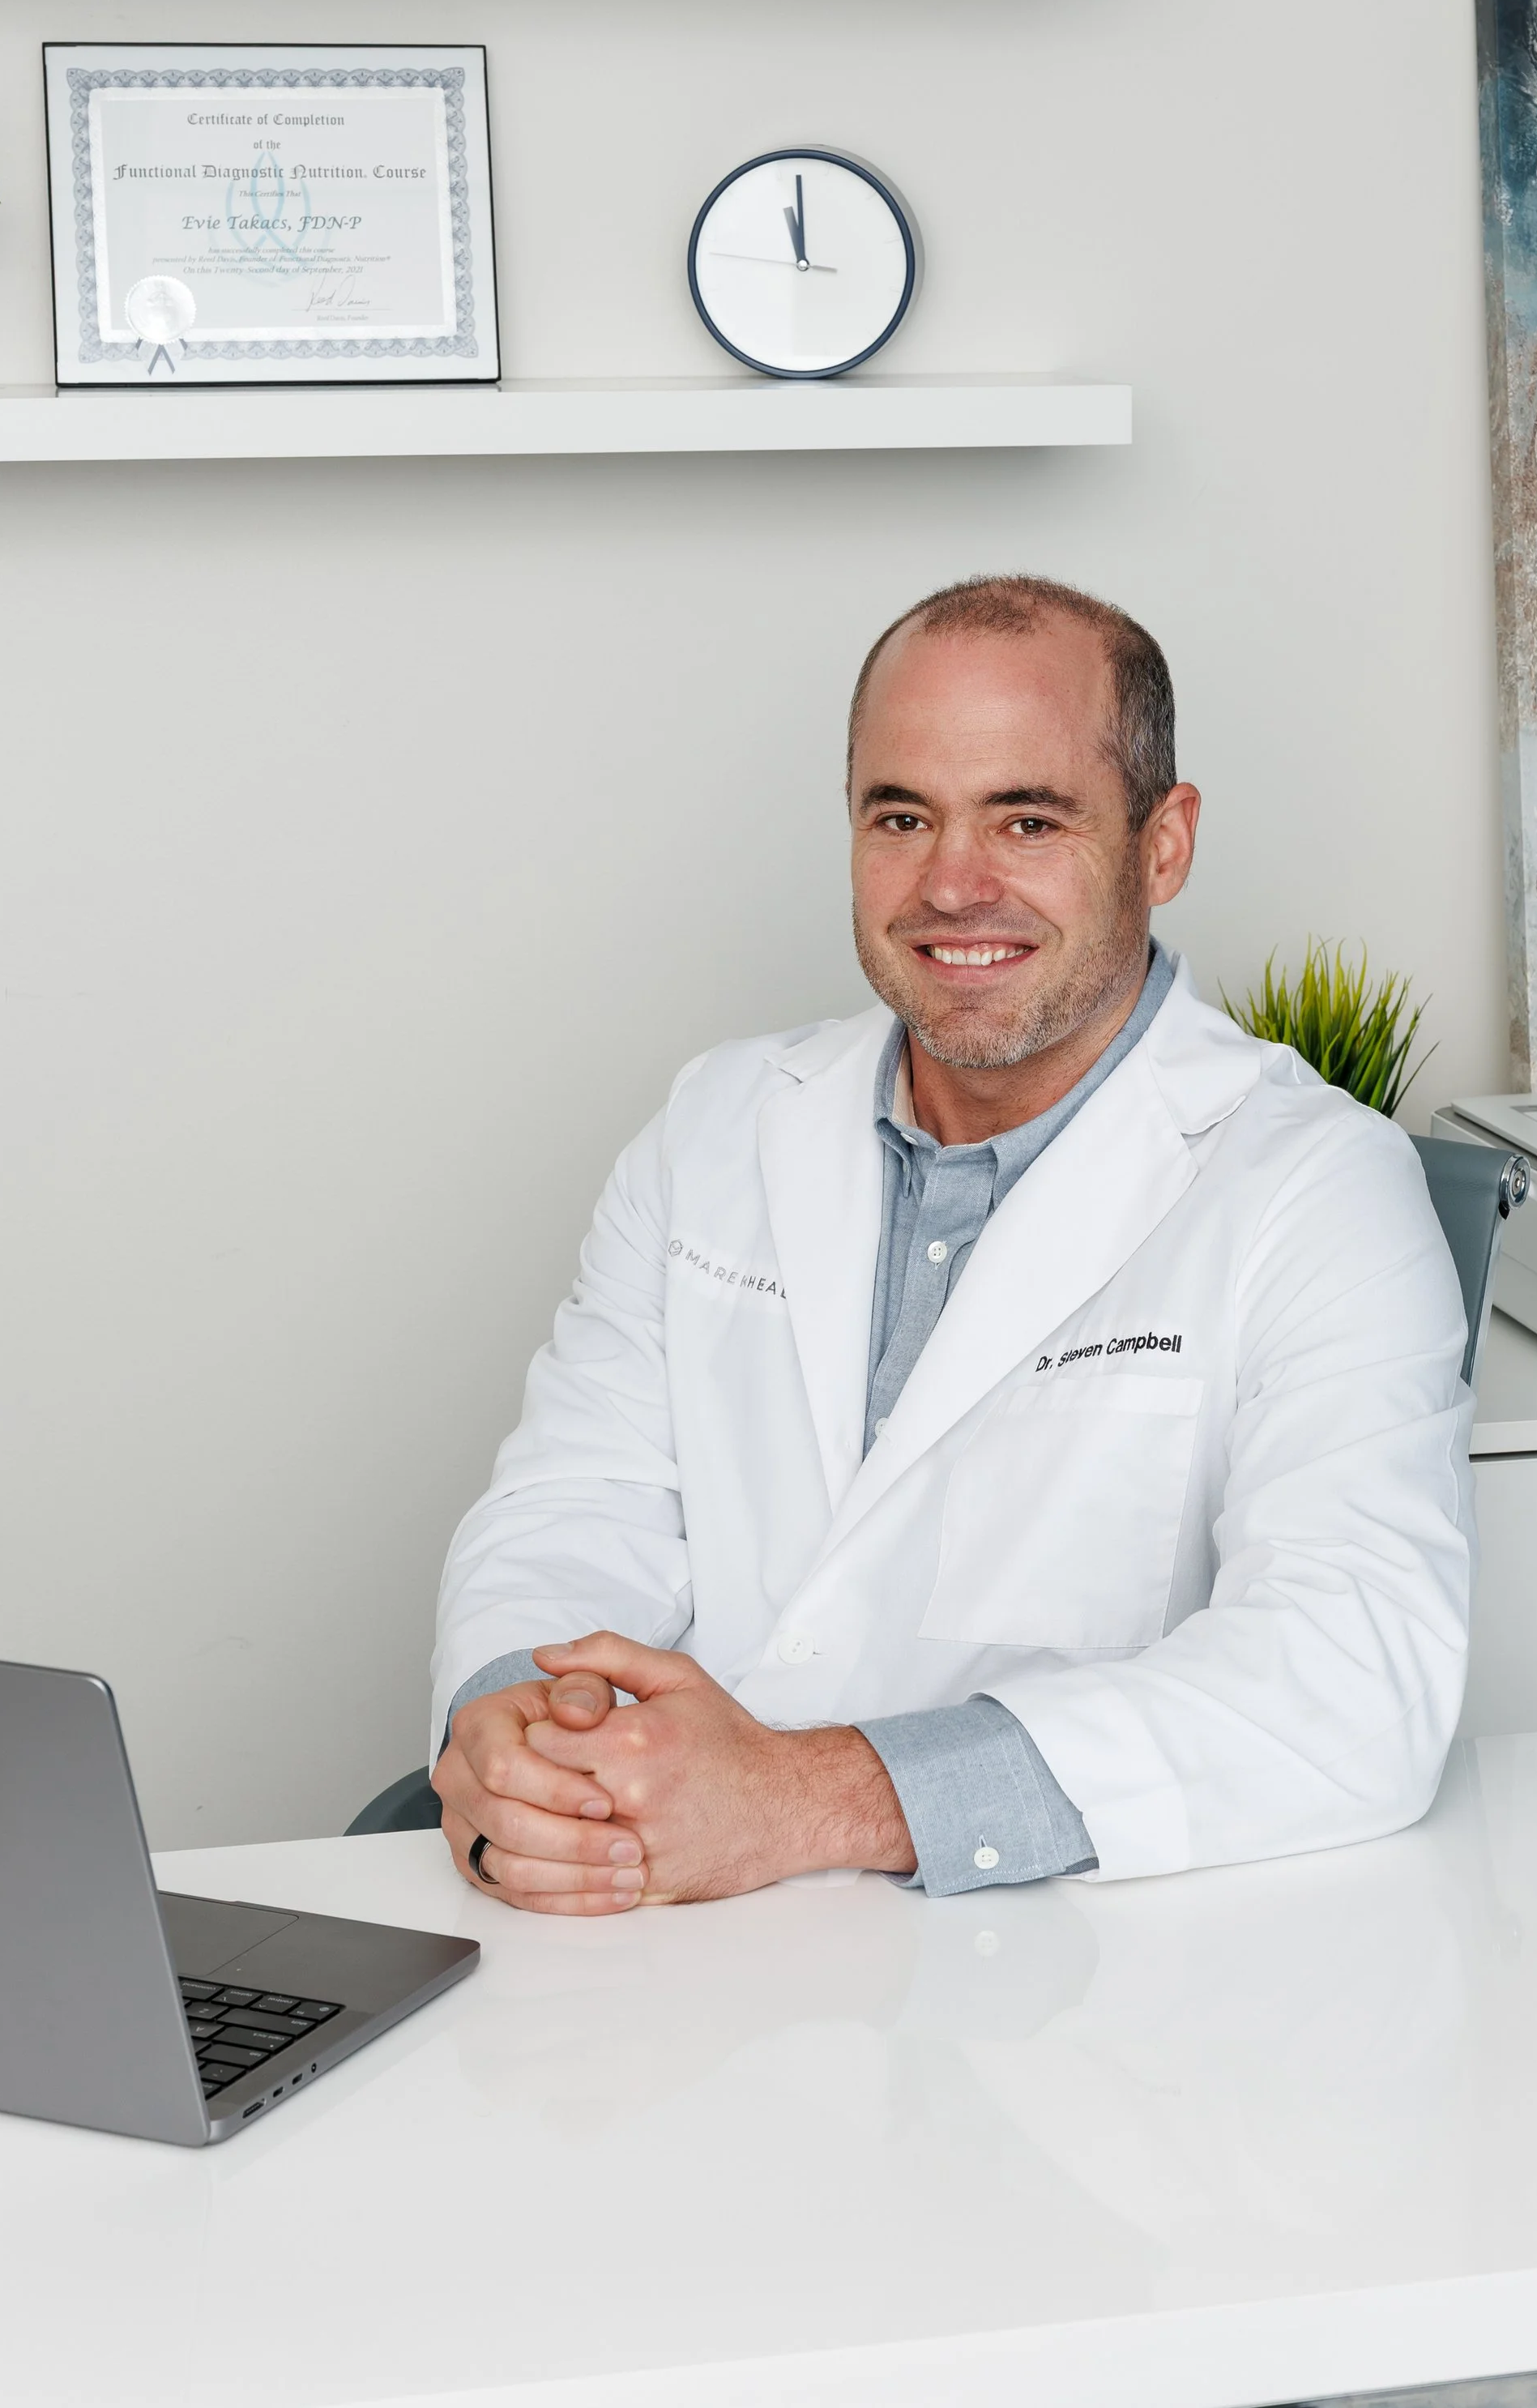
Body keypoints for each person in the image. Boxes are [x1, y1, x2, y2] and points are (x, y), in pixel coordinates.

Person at [431, 575, 1470, 1913]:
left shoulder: (1317, 1188)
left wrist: (803, 1796)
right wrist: (519, 1725)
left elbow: (1351, 1671)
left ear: (1163, 845)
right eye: (902, 817)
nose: (952, 884)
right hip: (665, 1926)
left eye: (1027, 819)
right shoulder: (718, 1124)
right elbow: (574, 1504)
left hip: (1061, 1980)